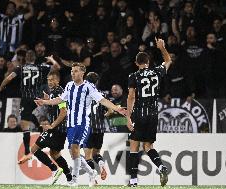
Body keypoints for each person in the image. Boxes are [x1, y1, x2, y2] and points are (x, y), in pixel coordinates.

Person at [34, 63, 126, 186]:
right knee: (73, 152)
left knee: (75, 149)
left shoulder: (88, 87)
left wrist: (117, 108)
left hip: (82, 123)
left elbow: (102, 100)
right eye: (72, 71)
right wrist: (44, 102)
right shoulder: (69, 85)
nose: (73, 73)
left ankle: (74, 180)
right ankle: (91, 173)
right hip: (70, 124)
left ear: (83, 73)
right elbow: (60, 99)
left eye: (76, 71)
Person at [126, 38, 171, 187]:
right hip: (153, 114)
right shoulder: (157, 71)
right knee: (148, 147)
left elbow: (131, 96)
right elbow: (168, 60)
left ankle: (133, 181)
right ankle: (161, 167)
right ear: (148, 62)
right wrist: (162, 48)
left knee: (134, 146)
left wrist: (128, 116)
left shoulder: (133, 76)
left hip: (140, 113)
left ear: (136, 63)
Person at [0, 50, 60, 156]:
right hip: (38, 99)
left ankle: (27, 150)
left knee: (24, 124)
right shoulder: (41, 67)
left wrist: (0, 87)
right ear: (35, 58)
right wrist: (52, 60)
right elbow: (57, 67)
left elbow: (8, 78)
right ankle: (47, 138)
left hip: (26, 98)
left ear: (25, 58)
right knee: (40, 119)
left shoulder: (20, 68)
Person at [18, 71, 72, 184]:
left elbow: (63, 112)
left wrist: (52, 125)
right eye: (48, 80)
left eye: (52, 80)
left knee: (35, 149)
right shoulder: (53, 93)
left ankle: (54, 169)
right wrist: (47, 101)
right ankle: (69, 177)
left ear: (57, 80)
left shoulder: (60, 92)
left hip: (58, 128)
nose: (50, 82)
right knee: (54, 154)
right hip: (57, 128)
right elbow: (55, 108)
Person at [84, 72, 107, 180]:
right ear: (97, 82)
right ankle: (102, 165)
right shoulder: (102, 94)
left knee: (88, 156)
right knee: (96, 153)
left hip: (89, 127)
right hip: (100, 128)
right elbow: (110, 111)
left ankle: (93, 179)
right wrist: (102, 115)